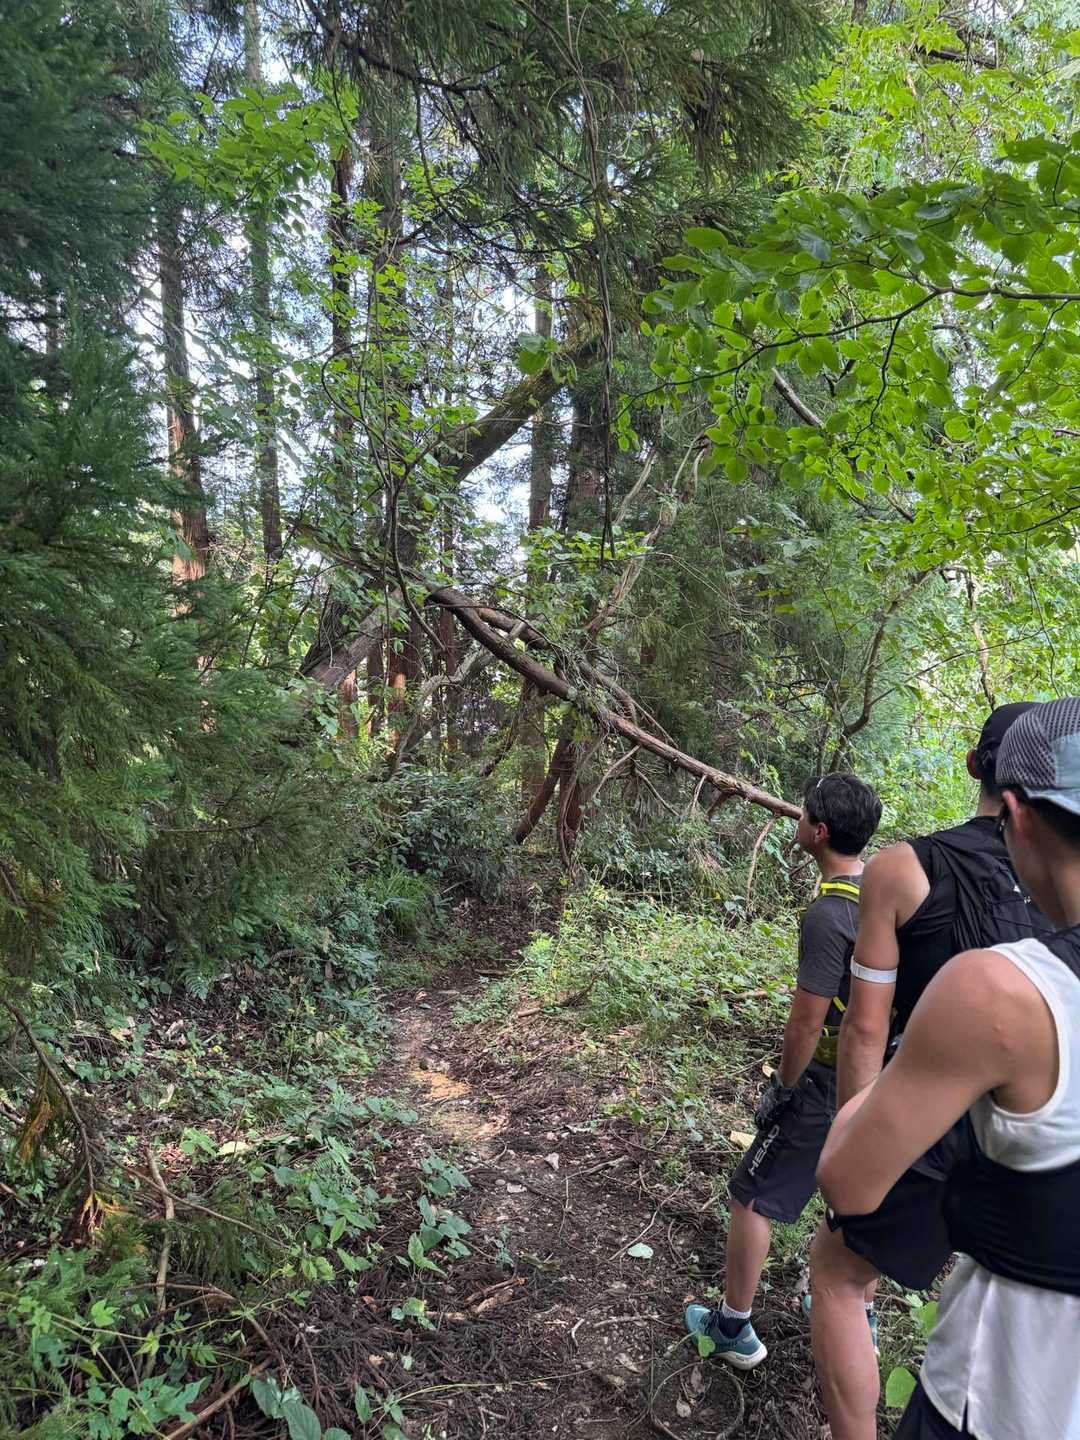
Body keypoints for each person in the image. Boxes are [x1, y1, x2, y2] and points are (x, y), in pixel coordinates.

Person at [817, 696, 1080, 1439]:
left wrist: (858, 1118)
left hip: (1000, 1401)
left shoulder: (989, 983)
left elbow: (864, 1032)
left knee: (837, 1273)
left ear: (1015, 812)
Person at [684, 772, 883, 1367]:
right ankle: (859, 1317)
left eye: (803, 814)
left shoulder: (829, 913)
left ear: (819, 832)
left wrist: (783, 1088)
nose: (797, 819)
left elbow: (805, 1025)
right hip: (877, 1080)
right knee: (855, 1196)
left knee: (752, 1193)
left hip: (824, 1082)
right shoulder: (882, 896)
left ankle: (732, 1327)